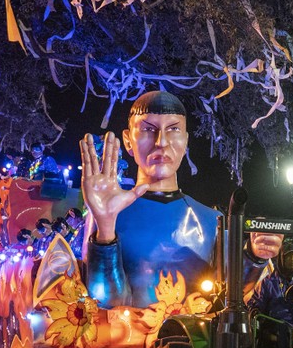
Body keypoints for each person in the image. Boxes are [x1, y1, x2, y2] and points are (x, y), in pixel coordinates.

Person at [80, 90, 279, 309]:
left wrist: (255, 257)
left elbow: (228, 298)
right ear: (128, 140)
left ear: (185, 141)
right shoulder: (107, 213)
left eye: (173, 129)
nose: (161, 142)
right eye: (148, 129)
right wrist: (106, 228)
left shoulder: (213, 221)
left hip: (195, 340)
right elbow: (104, 304)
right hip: (125, 341)